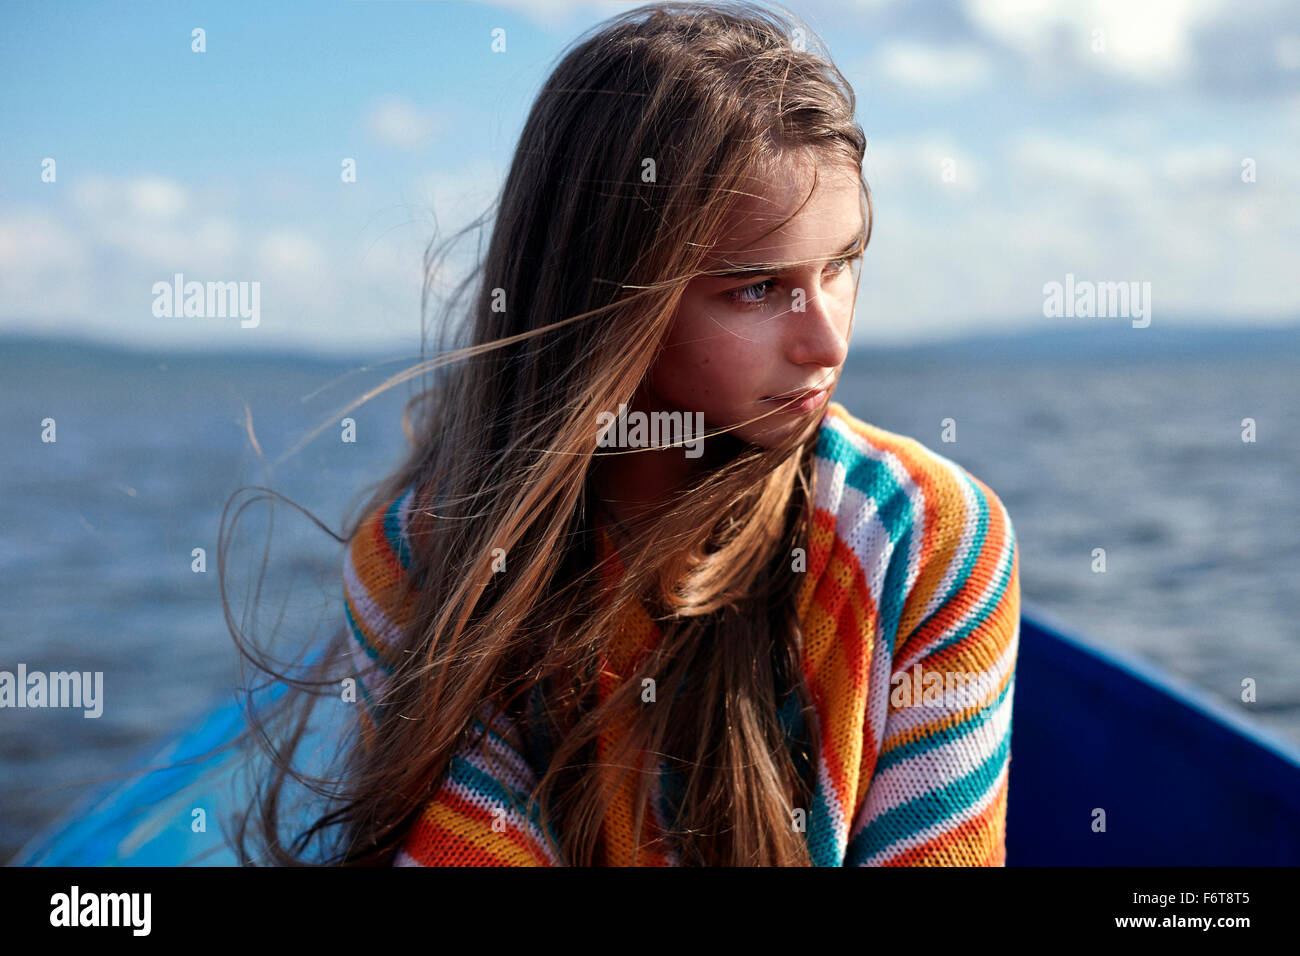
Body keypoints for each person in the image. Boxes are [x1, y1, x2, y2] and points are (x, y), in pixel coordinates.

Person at [238, 0, 1020, 867]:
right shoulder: (423, 564)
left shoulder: (925, 536)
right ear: (612, 300)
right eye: (756, 287)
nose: (826, 339)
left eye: (839, 266)